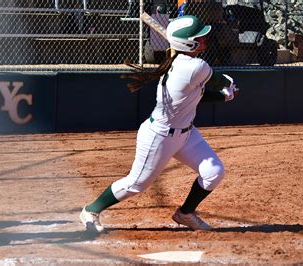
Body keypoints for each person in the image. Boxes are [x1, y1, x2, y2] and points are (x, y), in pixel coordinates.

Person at [79, 15, 239, 232]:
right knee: (136, 184)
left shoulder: (185, 64)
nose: (205, 40)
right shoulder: (195, 66)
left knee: (213, 172)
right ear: (188, 43)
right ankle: (91, 210)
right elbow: (220, 81)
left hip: (186, 135)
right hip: (160, 136)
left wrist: (224, 97)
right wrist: (228, 87)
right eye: (199, 38)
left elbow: (199, 94)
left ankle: (185, 214)